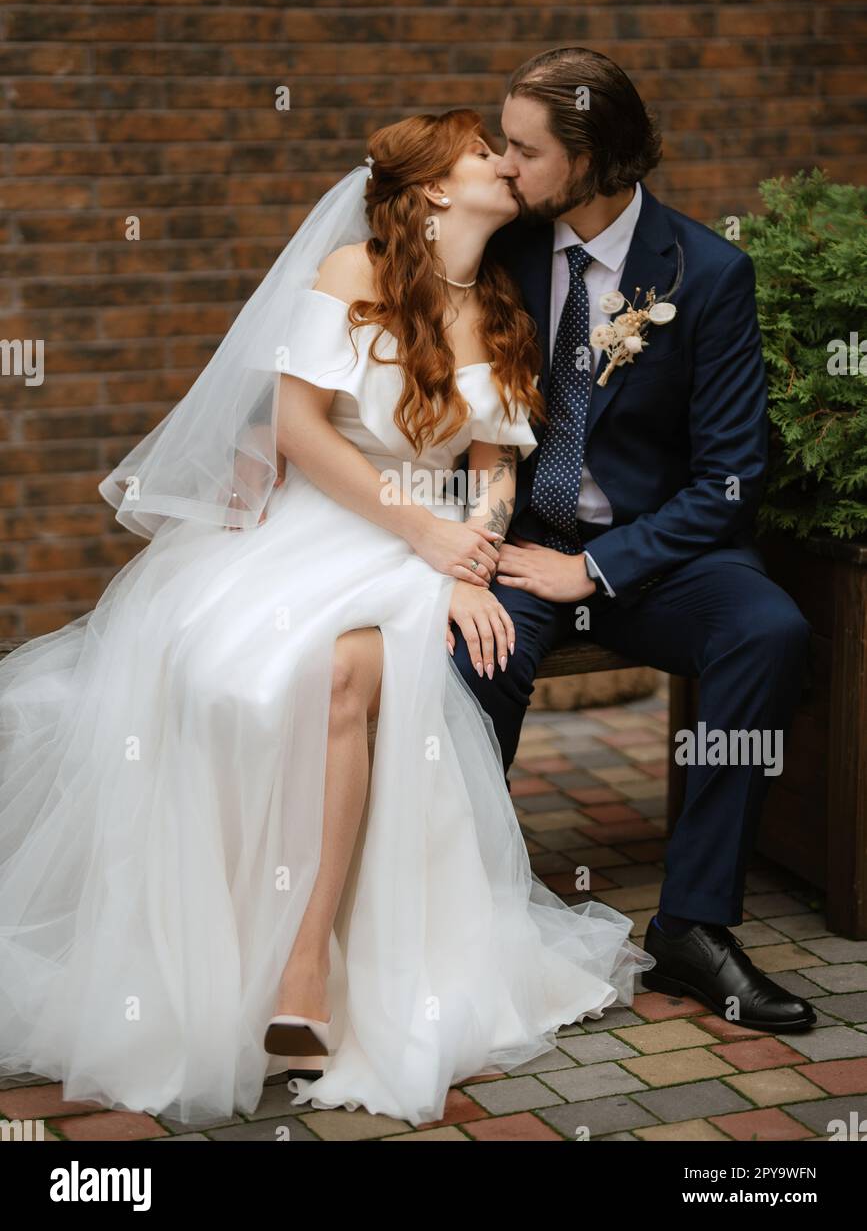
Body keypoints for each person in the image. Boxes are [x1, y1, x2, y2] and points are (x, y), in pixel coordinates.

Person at [0, 109, 656, 1129]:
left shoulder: (494, 303)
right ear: (436, 188)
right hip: (323, 526)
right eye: (485, 152)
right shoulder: (354, 273)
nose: (502, 165)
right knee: (246, 677)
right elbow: (301, 430)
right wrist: (423, 537)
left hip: (425, 549)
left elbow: (493, 468)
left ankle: (307, 963)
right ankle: (238, 954)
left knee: (348, 672)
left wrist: (469, 555)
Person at [448, 48, 817, 1036]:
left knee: (766, 631)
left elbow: (732, 475)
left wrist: (600, 566)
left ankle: (694, 925)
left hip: (656, 559)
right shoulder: (502, 249)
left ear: (596, 155)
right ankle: (457, 907)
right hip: (523, 548)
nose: (505, 164)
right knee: (469, 652)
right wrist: (461, 546)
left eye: (524, 148)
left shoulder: (708, 274)